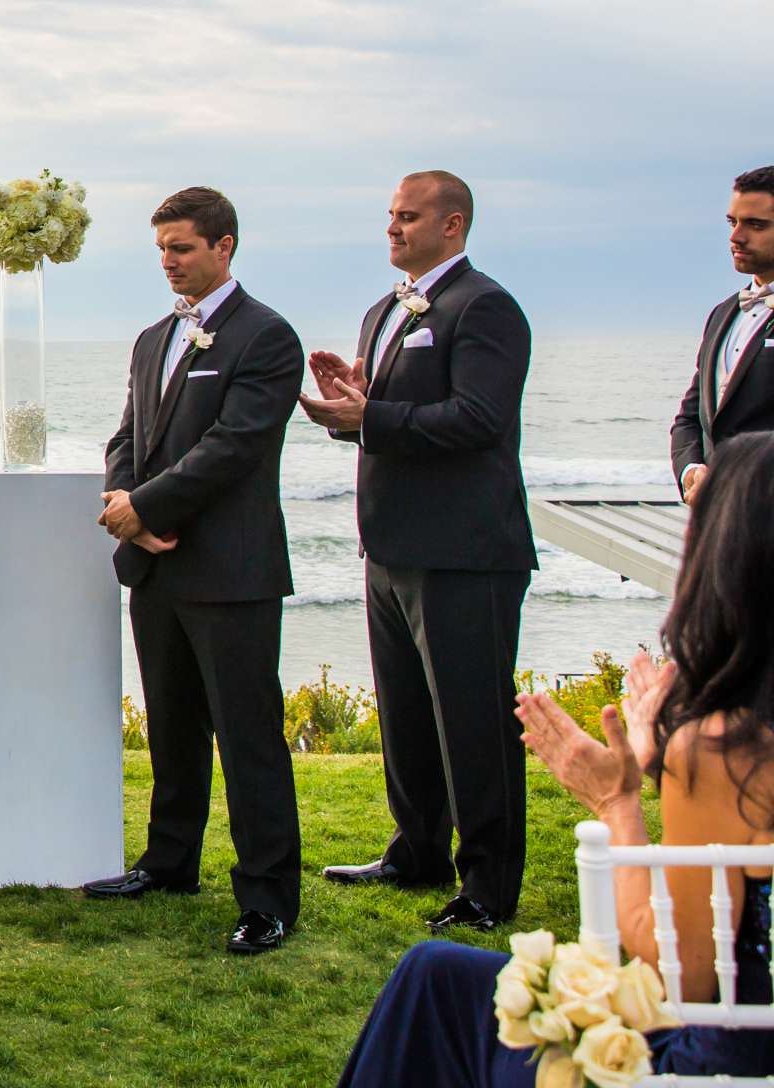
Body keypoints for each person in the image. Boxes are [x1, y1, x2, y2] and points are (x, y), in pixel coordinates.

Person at [336, 430, 774, 1085]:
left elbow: (675, 973)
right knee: (435, 975)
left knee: (431, 981)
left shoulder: (729, 750)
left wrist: (617, 800)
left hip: (721, 1062)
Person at [302, 172, 536, 930]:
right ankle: (417, 850)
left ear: (454, 225)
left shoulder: (486, 306)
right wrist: (349, 405)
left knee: (474, 721)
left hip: (467, 550)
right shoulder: (384, 310)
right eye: (390, 217)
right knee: (406, 715)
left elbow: (478, 417)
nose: (394, 229)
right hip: (391, 545)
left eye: (409, 217)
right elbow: (387, 419)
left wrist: (376, 412)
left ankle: (489, 887)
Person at [85, 186, 304, 956]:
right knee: (172, 728)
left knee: (249, 739)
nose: (170, 263)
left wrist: (148, 509)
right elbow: (128, 437)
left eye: (182, 248)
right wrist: (125, 503)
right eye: (162, 251)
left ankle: (269, 898)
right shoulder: (152, 339)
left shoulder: (268, 337)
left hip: (232, 569)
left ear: (224, 247)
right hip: (157, 568)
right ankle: (170, 862)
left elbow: (234, 448)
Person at [671, 164, 774, 503]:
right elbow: (690, 417)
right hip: (720, 529)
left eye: (756, 225)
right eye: (733, 222)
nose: (736, 237)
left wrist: (733, 481)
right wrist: (692, 470)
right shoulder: (722, 314)